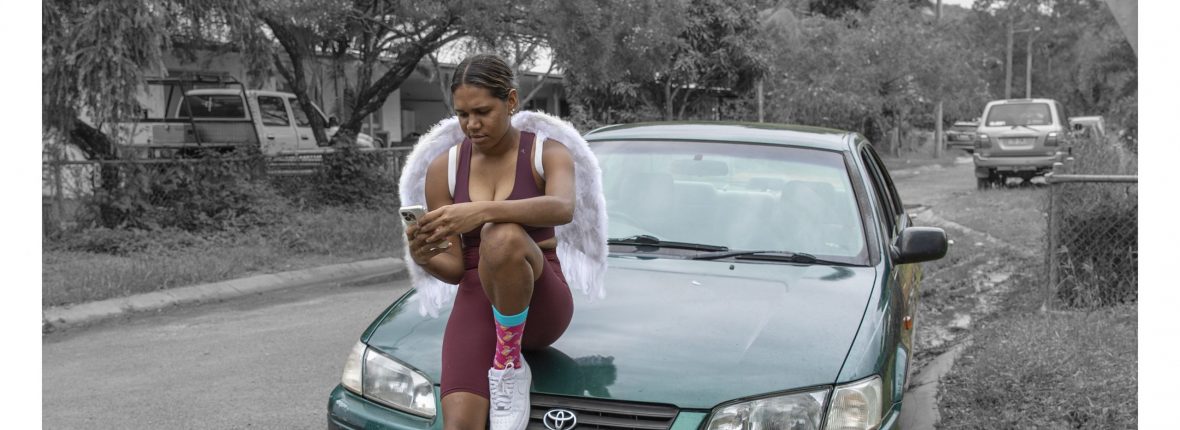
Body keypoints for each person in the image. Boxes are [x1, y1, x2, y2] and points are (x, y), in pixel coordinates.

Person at [399, 53, 606, 430]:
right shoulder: (443, 168)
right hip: (478, 296)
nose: (471, 124)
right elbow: (456, 268)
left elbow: (562, 207)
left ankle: (509, 364)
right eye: (462, 114)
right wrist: (424, 256)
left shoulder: (548, 152)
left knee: (501, 233)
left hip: (541, 296)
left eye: (482, 111)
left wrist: (480, 212)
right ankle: (499, 360)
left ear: (510, 101)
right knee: (460, 424)